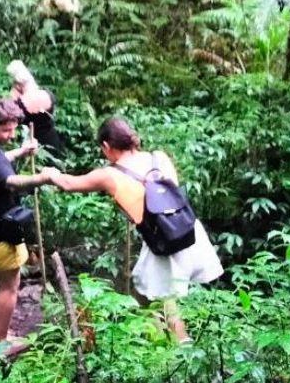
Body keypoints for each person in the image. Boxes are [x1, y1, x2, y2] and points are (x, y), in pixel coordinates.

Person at [52, 117, 223, 342]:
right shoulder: (159, 157)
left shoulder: (110, 175)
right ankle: (159, 344)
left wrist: (48, 174)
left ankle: (182, 348)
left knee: (164, 299)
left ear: (106, 146)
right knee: (146, 290)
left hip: (162, 241)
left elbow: (68, 184)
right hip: (186, 229)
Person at [0, 96, 61, 340]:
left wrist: (20, 152)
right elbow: (12, 181)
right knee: (9, 287)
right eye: (6, 130)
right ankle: (1, 341)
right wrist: (44, 178)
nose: (11, 135)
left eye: (14, 129)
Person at [7, 60, 62, 156]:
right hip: (51, 140)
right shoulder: (46, 94)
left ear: (17, 84)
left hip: (31, 146)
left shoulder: (20, 102)